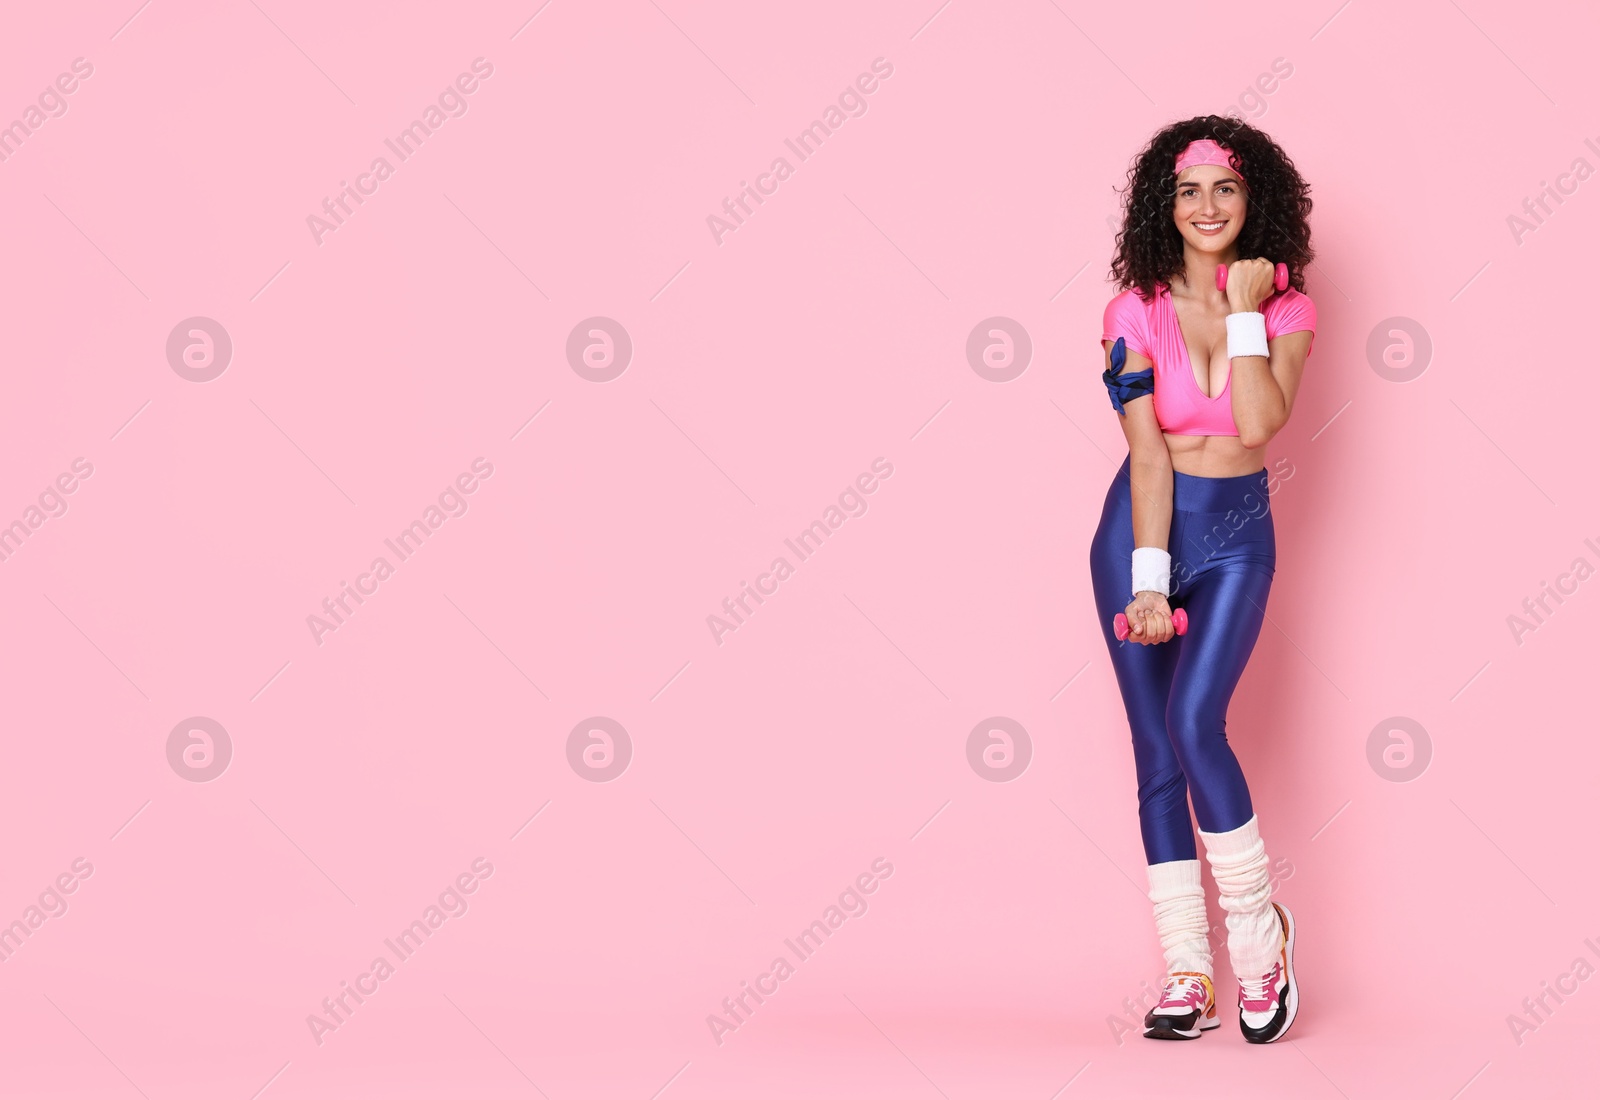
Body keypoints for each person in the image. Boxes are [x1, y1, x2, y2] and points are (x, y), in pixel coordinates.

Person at [1088, 116, 1316, 1043]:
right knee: (1156, 753)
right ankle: (1189, 972)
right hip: (1138, 532)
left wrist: (1251, 311)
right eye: (1188, 190)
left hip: (1237, 534)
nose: (1207, 205)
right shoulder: (1130, 311)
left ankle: (1262, 952)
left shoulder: (1291, 309)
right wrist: (1147, 581)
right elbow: (1148, 456)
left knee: (1196, 723)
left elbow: (1258, 426)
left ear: (1253, 198)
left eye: (1226, 187)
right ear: (1164, 205)